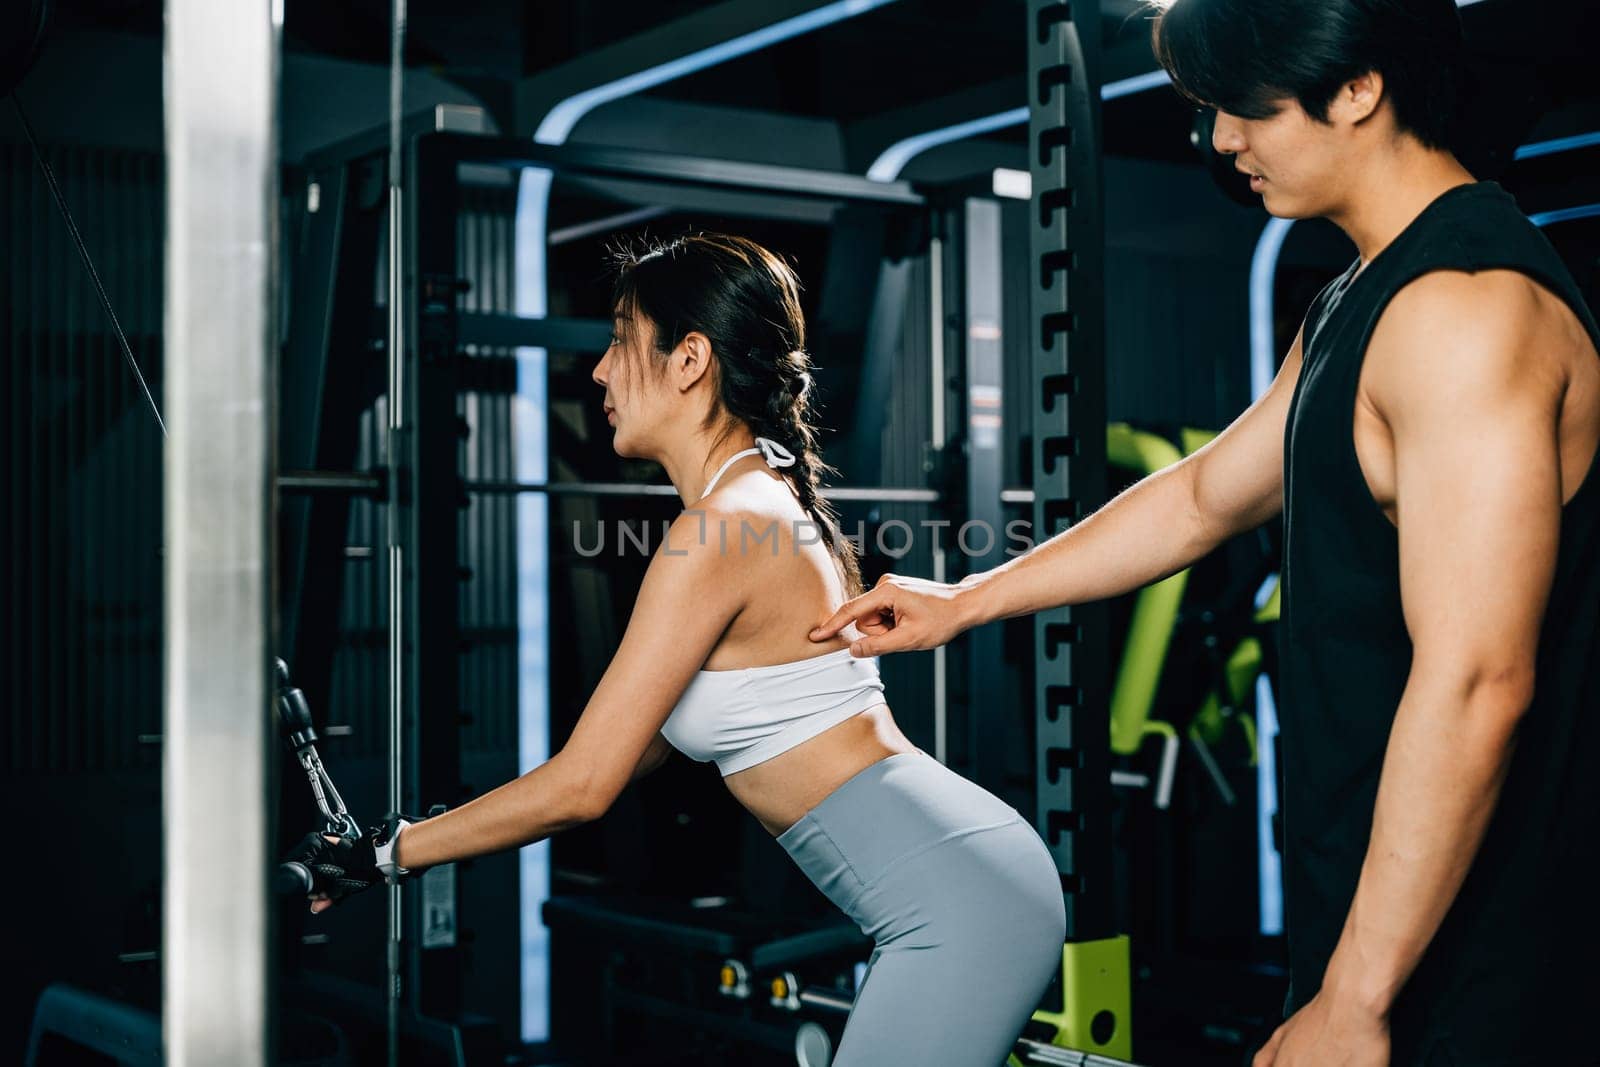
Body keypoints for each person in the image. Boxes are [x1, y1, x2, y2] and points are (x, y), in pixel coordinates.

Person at [810, 2, 1600, 1064]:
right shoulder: (1360, 299)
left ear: (1357, 89)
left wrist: (1357, 997)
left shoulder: (1465, 310)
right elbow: (1199, 498)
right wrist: (967, 598)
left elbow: (1477, 677)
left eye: (1243, 107)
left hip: (1476, 958)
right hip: (1379, 913)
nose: (1223, 140)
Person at [288, 233, 1067, 1066]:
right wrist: (395, 842)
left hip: (959, 907)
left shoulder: (724, 527)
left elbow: (582, 787)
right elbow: (624, 755)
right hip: (958, 887)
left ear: (690, 358)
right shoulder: (751, 503)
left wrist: (387, 851)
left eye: (620, 341)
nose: (599, 373)